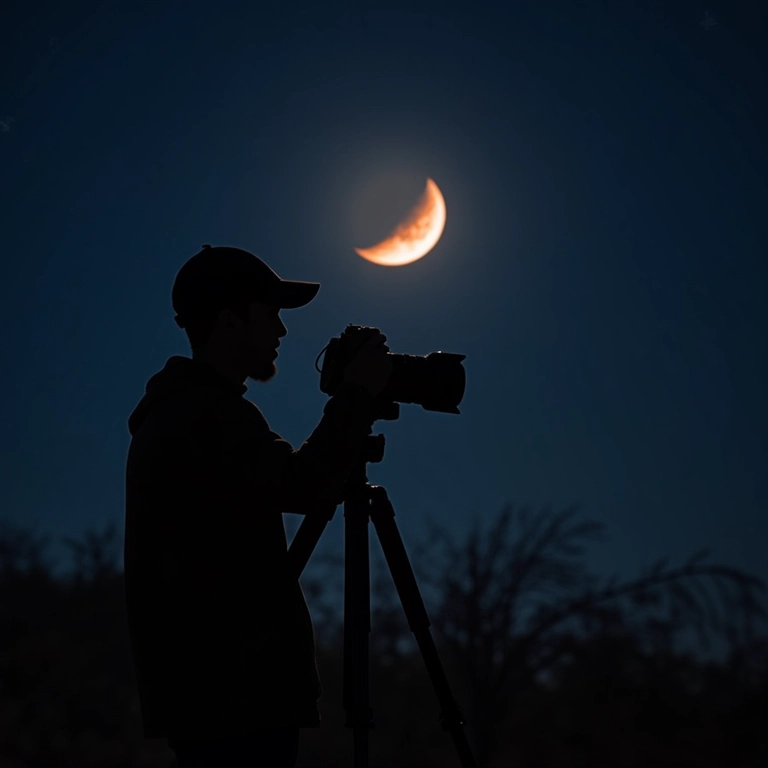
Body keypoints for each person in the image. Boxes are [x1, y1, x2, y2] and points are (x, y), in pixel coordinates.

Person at [124, 244, 392, 768]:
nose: (282, 331)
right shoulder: (203, 416)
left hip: (215, 698)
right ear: (230, 322)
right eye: (270, 315)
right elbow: (303, 485)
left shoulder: (186, 412)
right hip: (231, 700)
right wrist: (357, 394)